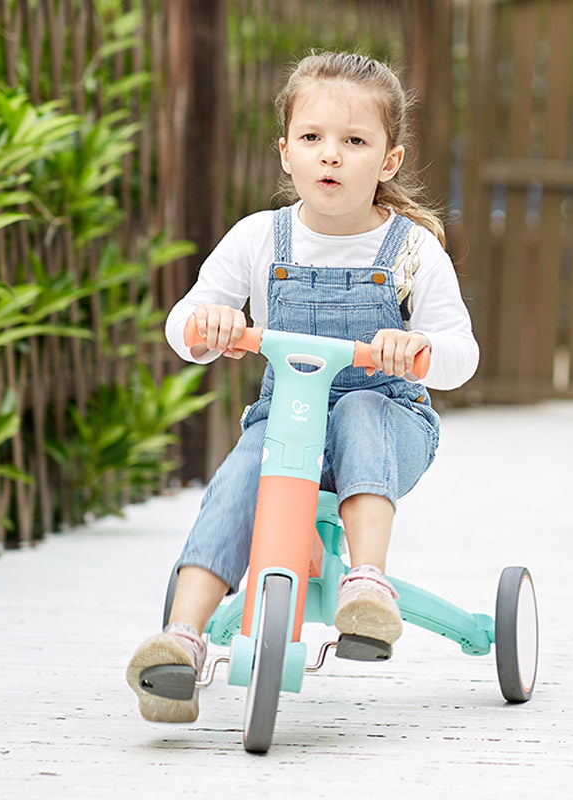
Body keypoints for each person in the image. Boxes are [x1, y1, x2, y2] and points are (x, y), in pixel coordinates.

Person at [126, 52, 479, 723]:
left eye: (355, 141)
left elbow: (462, 354)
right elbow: (184, 325)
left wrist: (419, 351)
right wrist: (211, 324)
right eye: (313, 138)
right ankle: (181, 640)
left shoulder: (411, 252)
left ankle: (367, 585)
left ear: (390, 160)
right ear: (286, 152)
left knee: (363, 411)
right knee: (238, 481)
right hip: (285, 423)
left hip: (389, 420)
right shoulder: (260, 239)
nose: (332, 156)